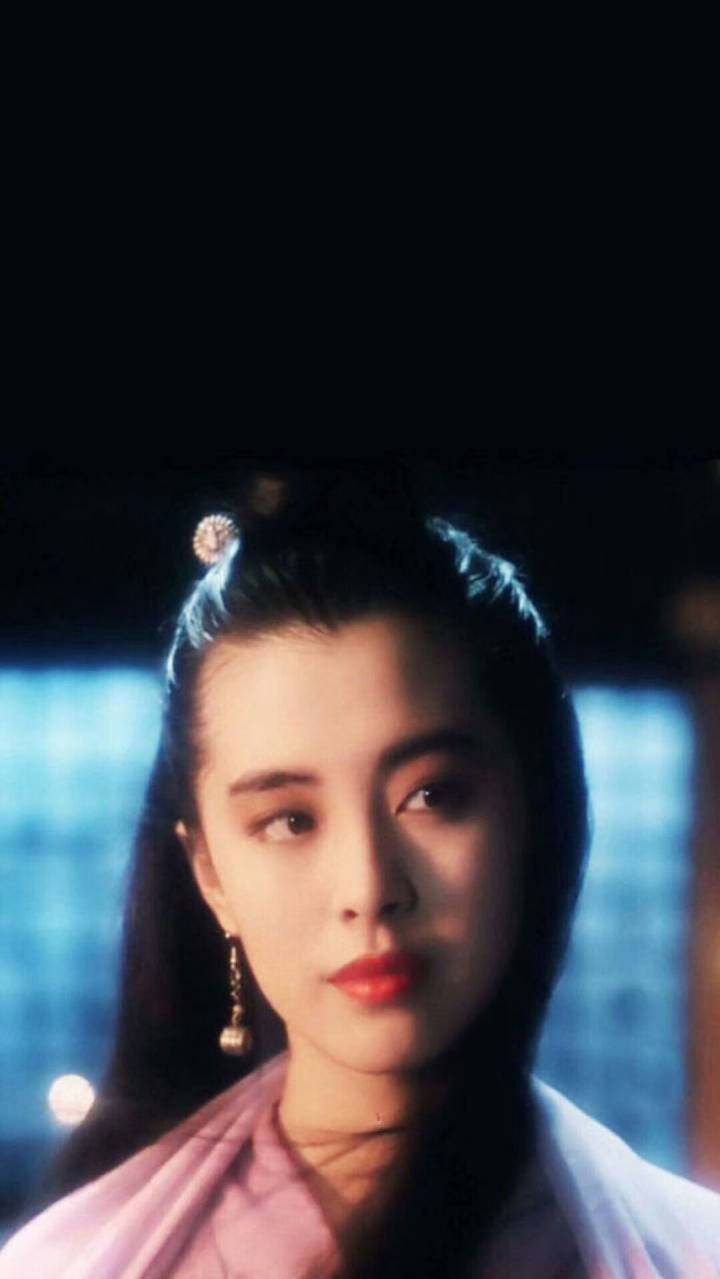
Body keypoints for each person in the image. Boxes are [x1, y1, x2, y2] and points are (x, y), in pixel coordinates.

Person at [1, 468, 718, 1278]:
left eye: (431, 795)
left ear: (531, 814)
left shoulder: (687, 1251)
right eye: (290, 819)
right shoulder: (75, 1263)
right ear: (210, 874)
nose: (369, 887)